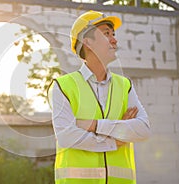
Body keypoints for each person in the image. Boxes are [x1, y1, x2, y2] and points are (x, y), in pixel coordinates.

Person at [49, 10, 151, 184]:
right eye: (106, 34)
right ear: (87, 42)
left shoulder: (125, 85)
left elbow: (143, 130)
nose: (114, 39)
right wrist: (115, 140)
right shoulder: (62, 86)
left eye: (113, 34)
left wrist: (94, 125)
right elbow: (67, 136)